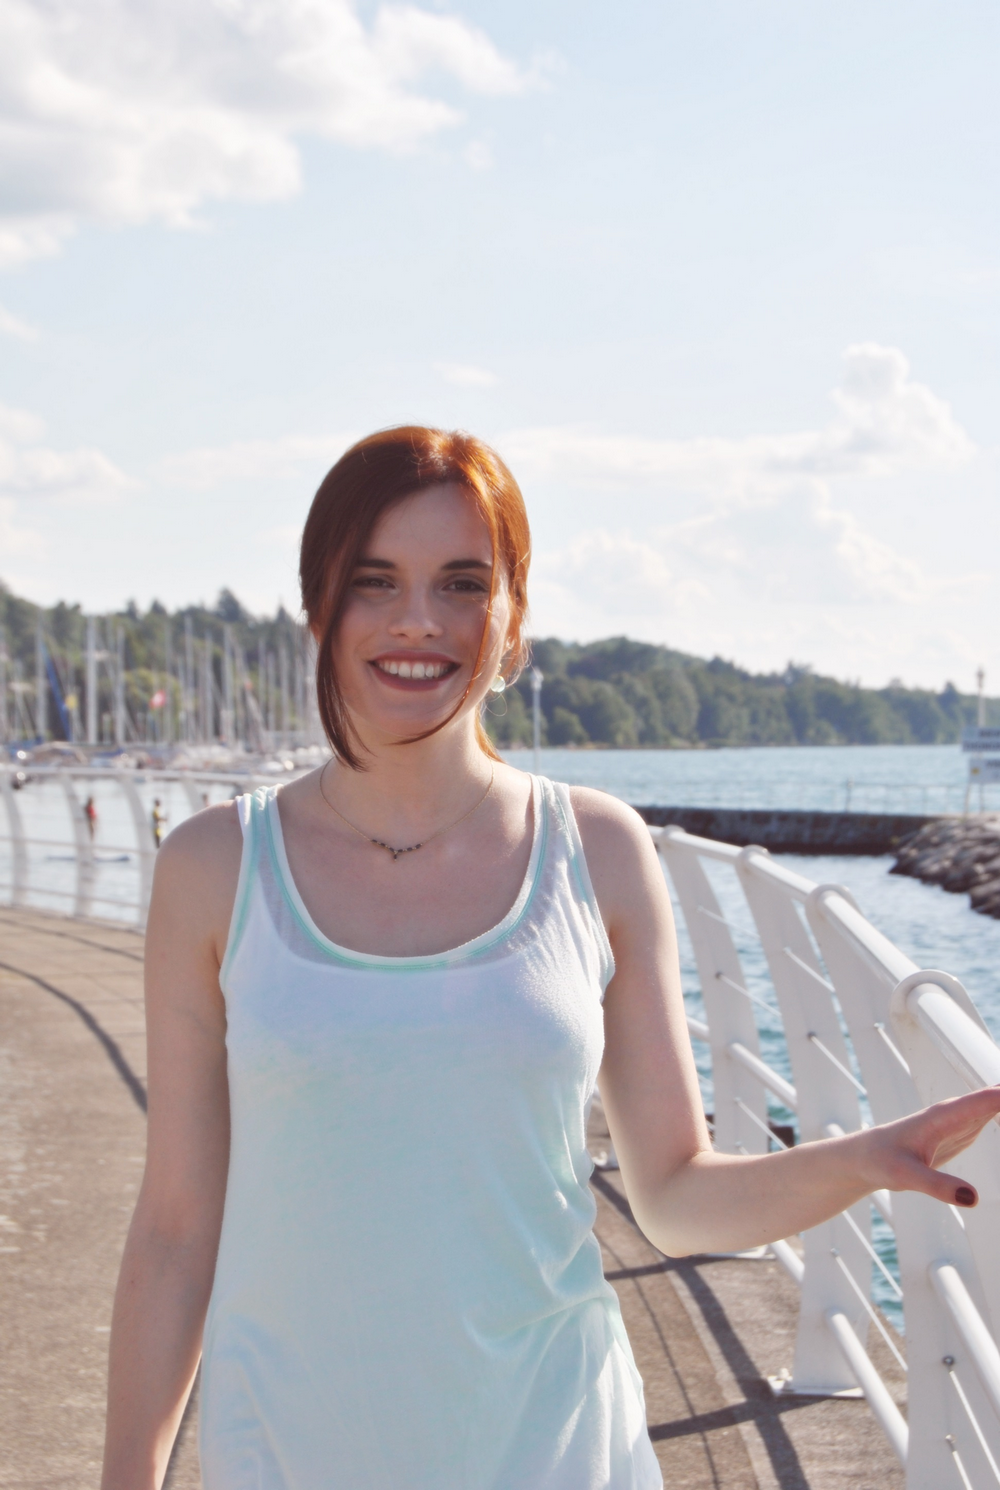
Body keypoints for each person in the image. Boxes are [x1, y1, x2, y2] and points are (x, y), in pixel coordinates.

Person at [101, 427, 1000, 1490]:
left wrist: (856, 1160)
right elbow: (176, 1231)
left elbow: (673, 1190)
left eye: (463, 583)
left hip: (557, 1448)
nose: (418, 620)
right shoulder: (216, 865)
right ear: (317, 608)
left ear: (514, 618)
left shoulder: (597, 849)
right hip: (290, 1451)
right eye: (375, 581)